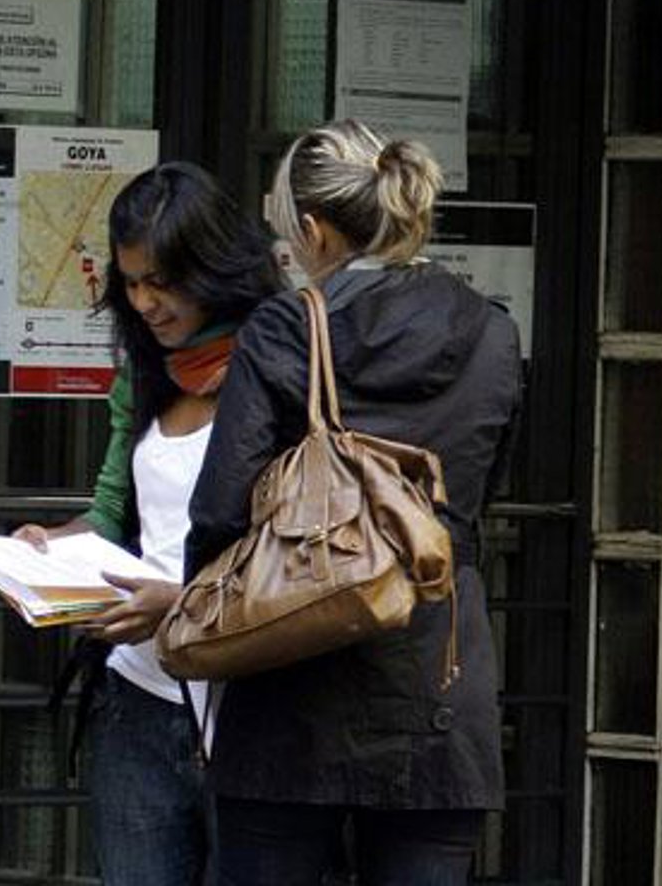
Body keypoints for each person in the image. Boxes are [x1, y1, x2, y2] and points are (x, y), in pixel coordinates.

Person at [185, 119, 522, 886]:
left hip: (289, 685)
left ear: (313, 231)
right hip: (437, 684)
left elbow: (221, 514)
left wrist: (197, 619)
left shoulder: (283, 331)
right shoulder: (494, 335)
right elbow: (473, 501)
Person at [15, 161, 285, 886]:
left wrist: (182, 605)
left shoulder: (280, 367)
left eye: (162, 282)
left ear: (212, 268)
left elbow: (296, 554)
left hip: (253, 707)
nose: (145, 303)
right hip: (137, 700)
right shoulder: (145, 370)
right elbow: (113, 511)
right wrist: (46, 552)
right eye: (131, 283)